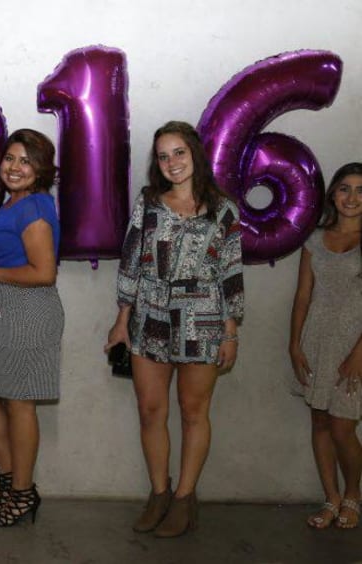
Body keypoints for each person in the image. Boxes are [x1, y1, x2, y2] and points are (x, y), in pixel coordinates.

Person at [105, 121, 244, 537]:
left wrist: (231, 330)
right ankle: (159, 493)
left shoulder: (224, 210)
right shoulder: (147, 204)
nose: (172, 163)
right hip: (151, 317)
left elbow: (231, 272)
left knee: (192, 411)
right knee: (151, 411)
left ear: (195, 154)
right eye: (163, 156)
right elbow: (130, 261)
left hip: (203, 322)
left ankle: (185, 498)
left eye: (179, 152)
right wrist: (121, 319)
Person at [0, 128, 64, 527]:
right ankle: (11, 482)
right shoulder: (14, 204)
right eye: (10, 158)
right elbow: (4, 252)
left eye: (26, 160)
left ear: (41, 170)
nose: (15, 167)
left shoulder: (35, 207)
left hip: (29, 309)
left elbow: (44, 272)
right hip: (10, 310)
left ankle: (20, 493)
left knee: (19, 402)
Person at [289, 162, 362, 530]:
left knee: (343, 428)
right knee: (319, 422)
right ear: (333, 193)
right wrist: (294, 345)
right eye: (345, 188)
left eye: (361, 190)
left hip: (355, 346)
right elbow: (303, 295)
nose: (352, 197)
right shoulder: (314, 239)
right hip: (316, 340)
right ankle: (331, 498)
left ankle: (353, 496)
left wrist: (359, 355)